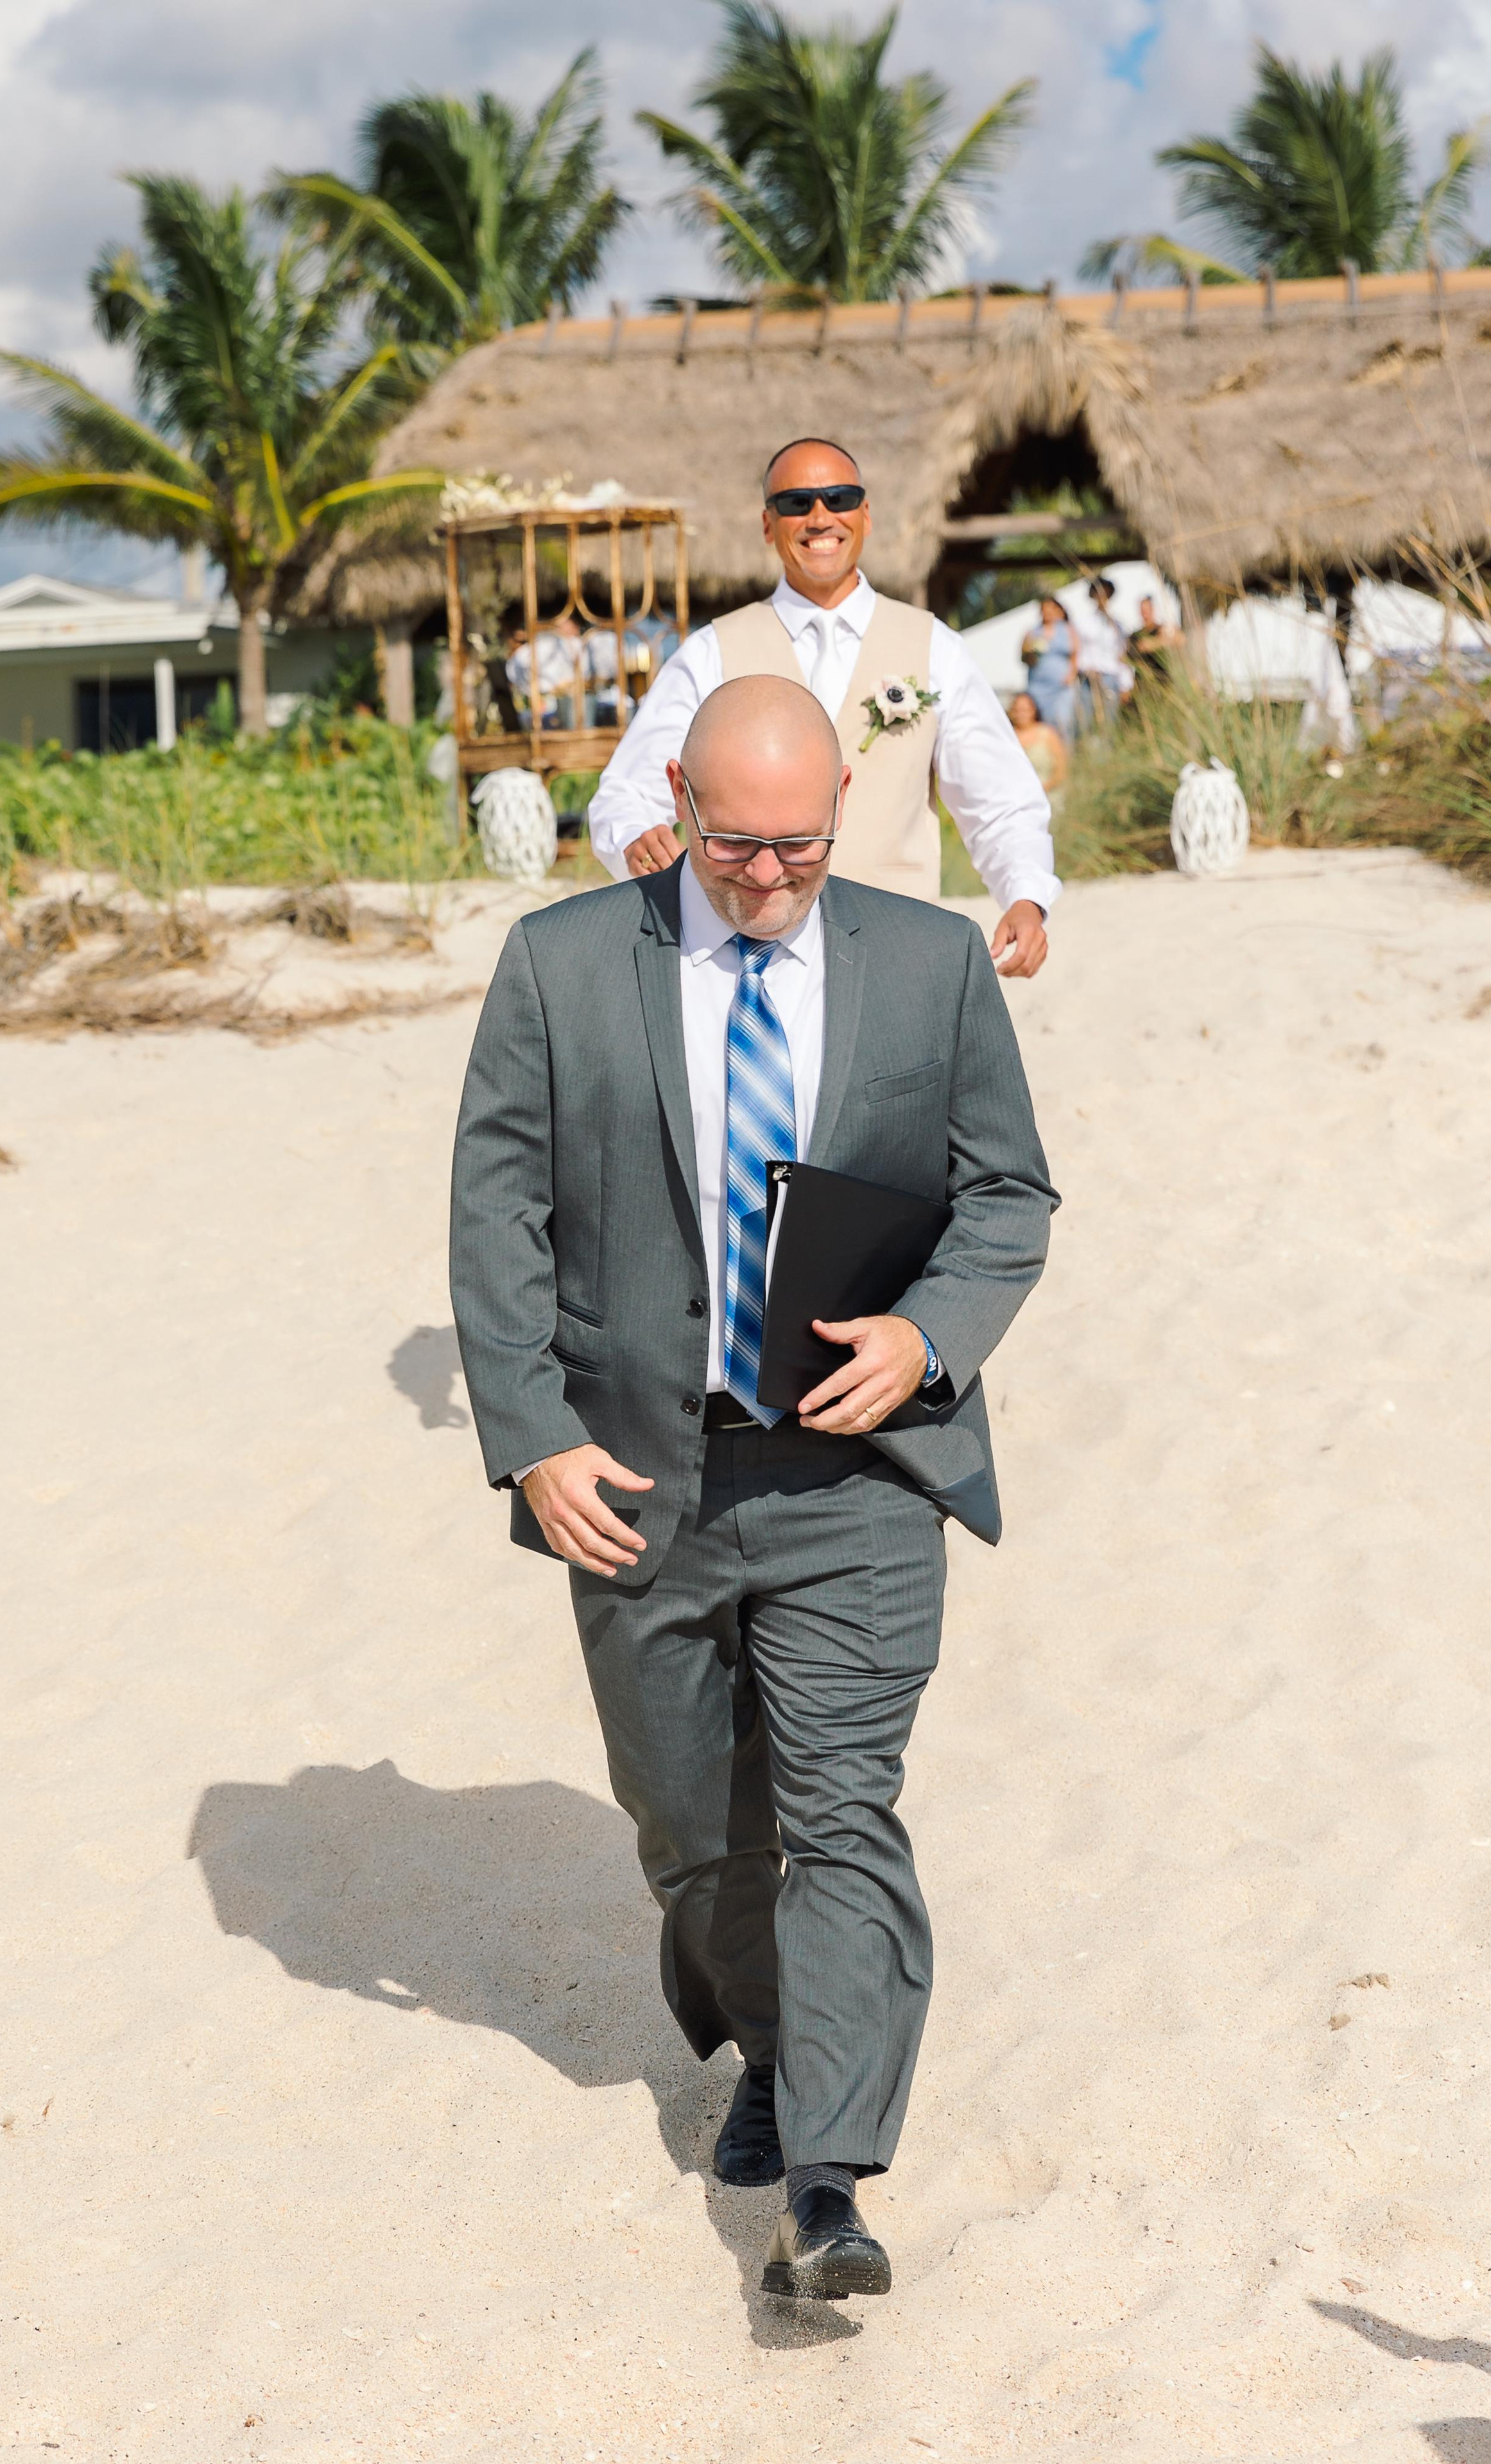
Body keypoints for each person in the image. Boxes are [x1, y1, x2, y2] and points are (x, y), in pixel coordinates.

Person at [452, 674, 1056, 2304]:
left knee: (837, 1812)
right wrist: (530, 1427)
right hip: (633, 1477)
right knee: (693, 1833)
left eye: (799, 844)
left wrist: (928, 1333)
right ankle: (777, 2046)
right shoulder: (561, 966)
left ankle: (829, 2174)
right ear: (678, 801)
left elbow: (1004, 1192)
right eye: (733, 845)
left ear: (846, 801)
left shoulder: (929, 965)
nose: (768, 876)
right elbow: (494, 1211)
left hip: (858, 1473)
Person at [588, 438, 1060, 979]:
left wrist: (1026, 896)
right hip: (750, 961)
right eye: (796, 503)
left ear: (865, 515)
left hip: (899, 952)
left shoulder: (935, 648)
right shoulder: (712, 650)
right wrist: (634, 836)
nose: (819, 517)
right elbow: (625, 793)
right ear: (768, 525)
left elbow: (1000, 801)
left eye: (839, 498)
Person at [1073, 577, 1132, 728]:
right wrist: (1084, 669)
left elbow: (1122, 656)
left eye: (1105, 594)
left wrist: (1126, 684)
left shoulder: (1118, 625)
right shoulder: (1082, 622)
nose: (1102, 598)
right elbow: (1077, 651)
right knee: (1086, 722)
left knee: (1109, 722)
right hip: (1088, 679)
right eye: (1098, 593)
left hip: (1110, 678)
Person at [1019, 595, 1078, 736]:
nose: (1048, 612)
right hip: (1038, 685)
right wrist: (1030, 653)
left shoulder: (1068, 630)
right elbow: (1023, 658)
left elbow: (1075, 655)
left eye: (1051, 609)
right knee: (1041, 721)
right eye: (1044, 609)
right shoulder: (1032, 632)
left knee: (1063, 721)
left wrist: (1071, 675)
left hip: (1061, 686)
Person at [1007, 690, 1069, 798]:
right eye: (1017, 710)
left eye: (1025, 710)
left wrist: (1044, 788)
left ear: (1033, 710)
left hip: (1047, 795)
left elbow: (1061, 770)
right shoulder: (1007, 736)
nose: (1021, 714)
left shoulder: (1048, 733)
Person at [1128, 594, 1182, 686]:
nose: (1145, 613)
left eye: (1147, 610)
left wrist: (1156, 643)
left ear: (1152, 610)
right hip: (1144, 684)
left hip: (1164, 681)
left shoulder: (1162, 629)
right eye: (1143, 610)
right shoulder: (1135, 635)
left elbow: (1180, 639)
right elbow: (1132, 653)